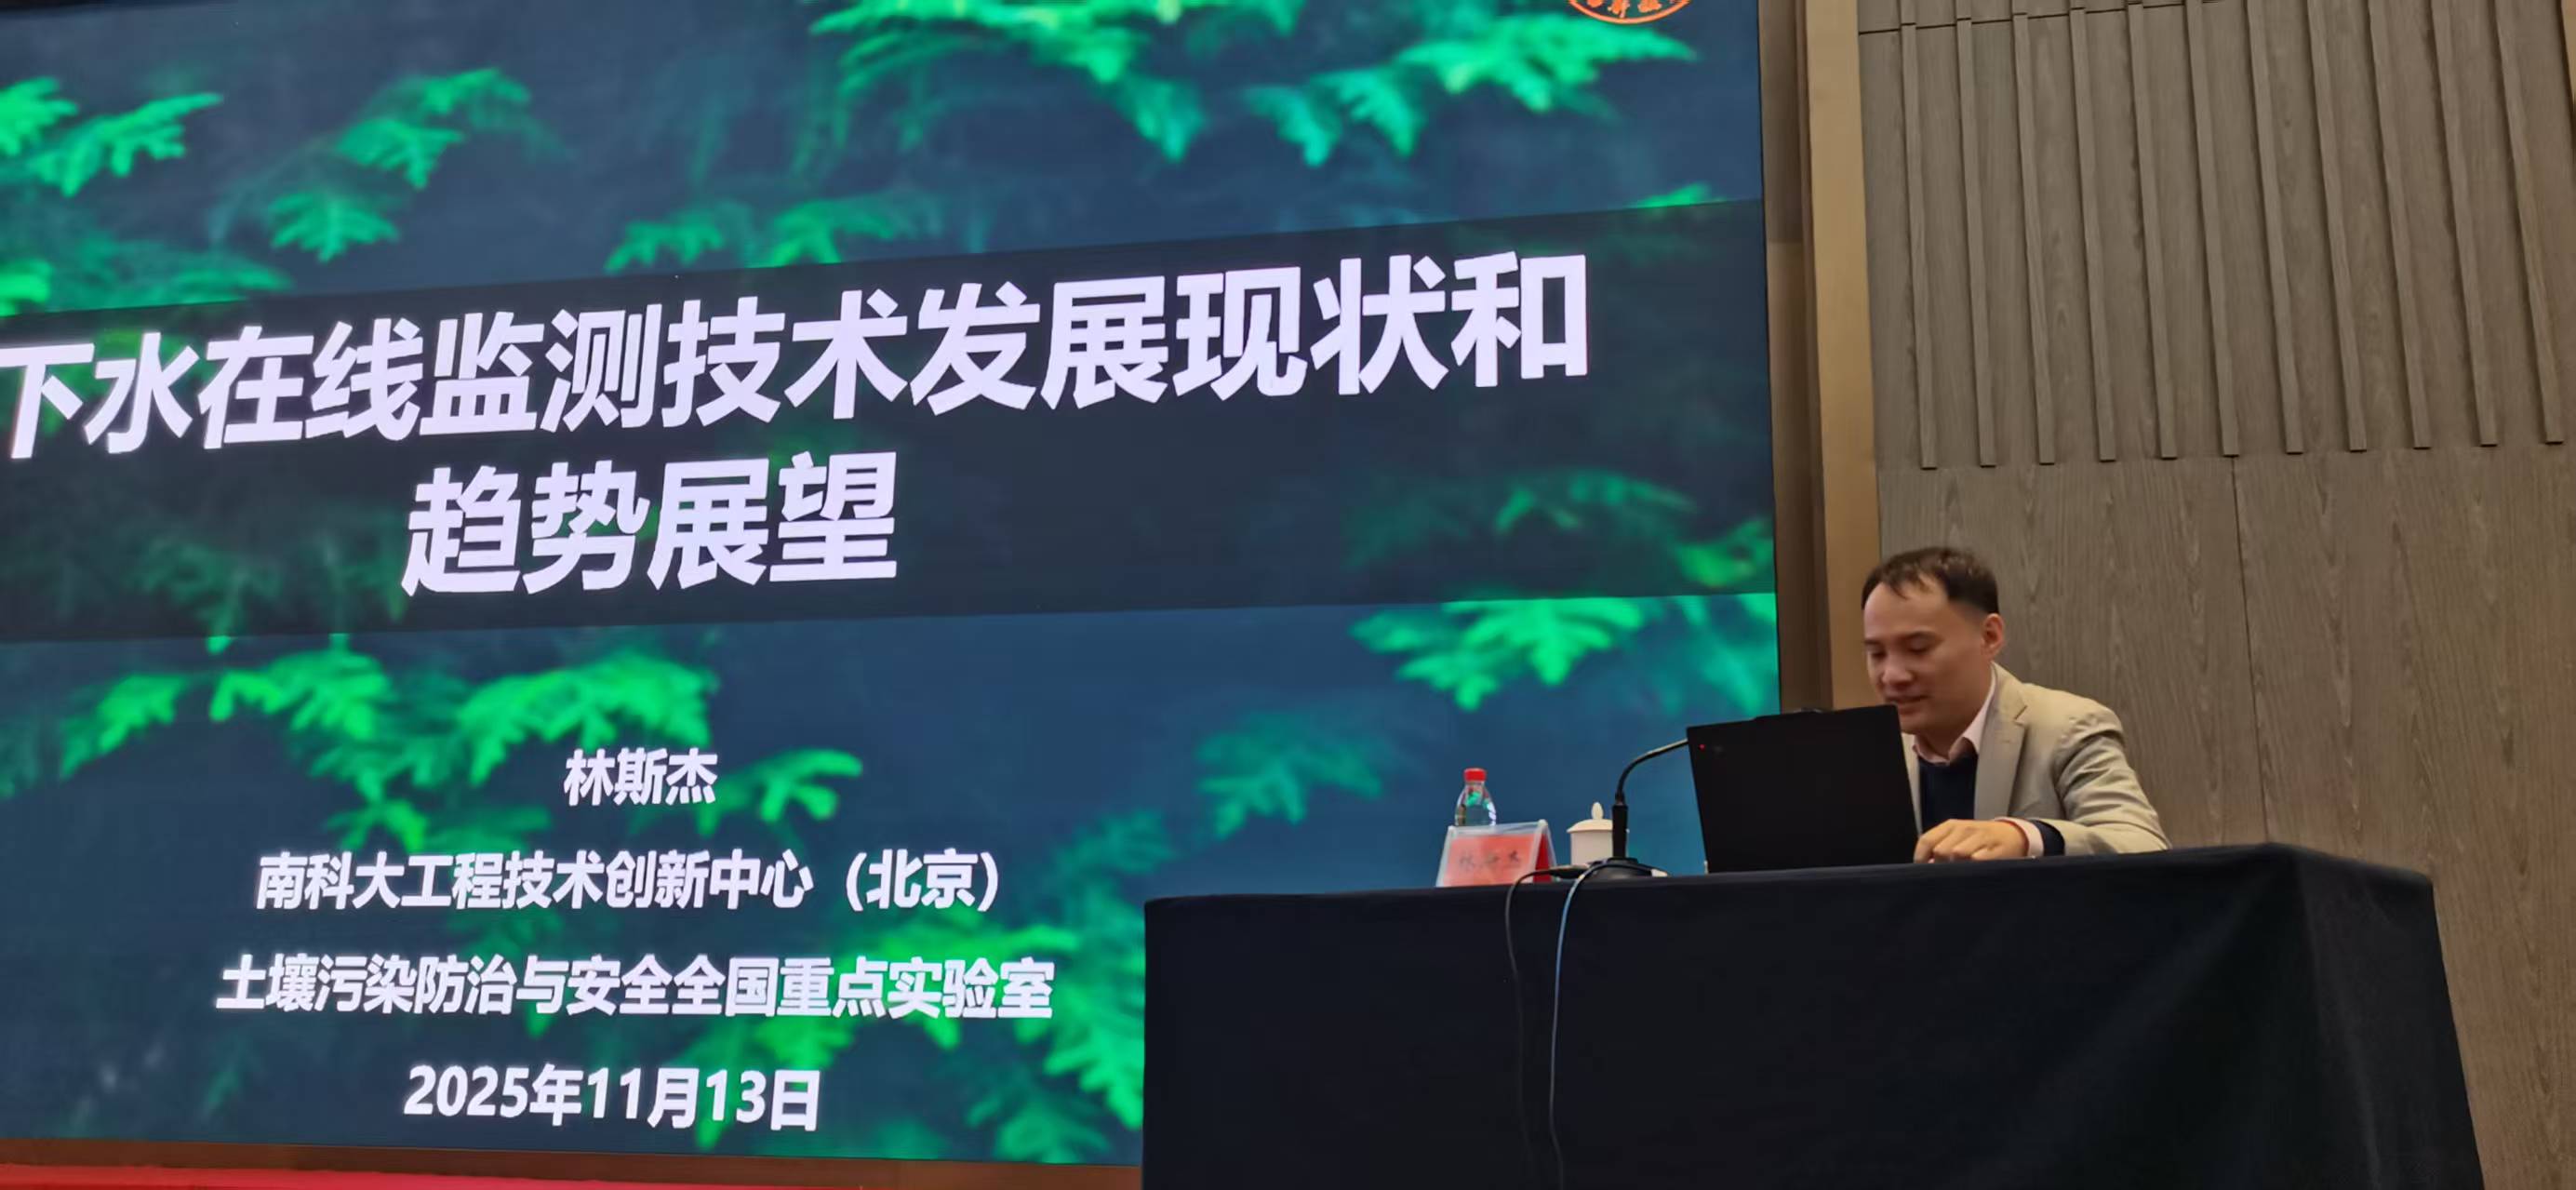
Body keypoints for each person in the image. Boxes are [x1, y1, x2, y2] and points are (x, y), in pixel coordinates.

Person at [1860, 547, 2169, 862]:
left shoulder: (2068, 728)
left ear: (1989, 636)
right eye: (1877, 654)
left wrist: (2026, 837)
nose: (1892, 675)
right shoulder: (1870, 754)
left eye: (1918, 648)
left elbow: (2143, 844)